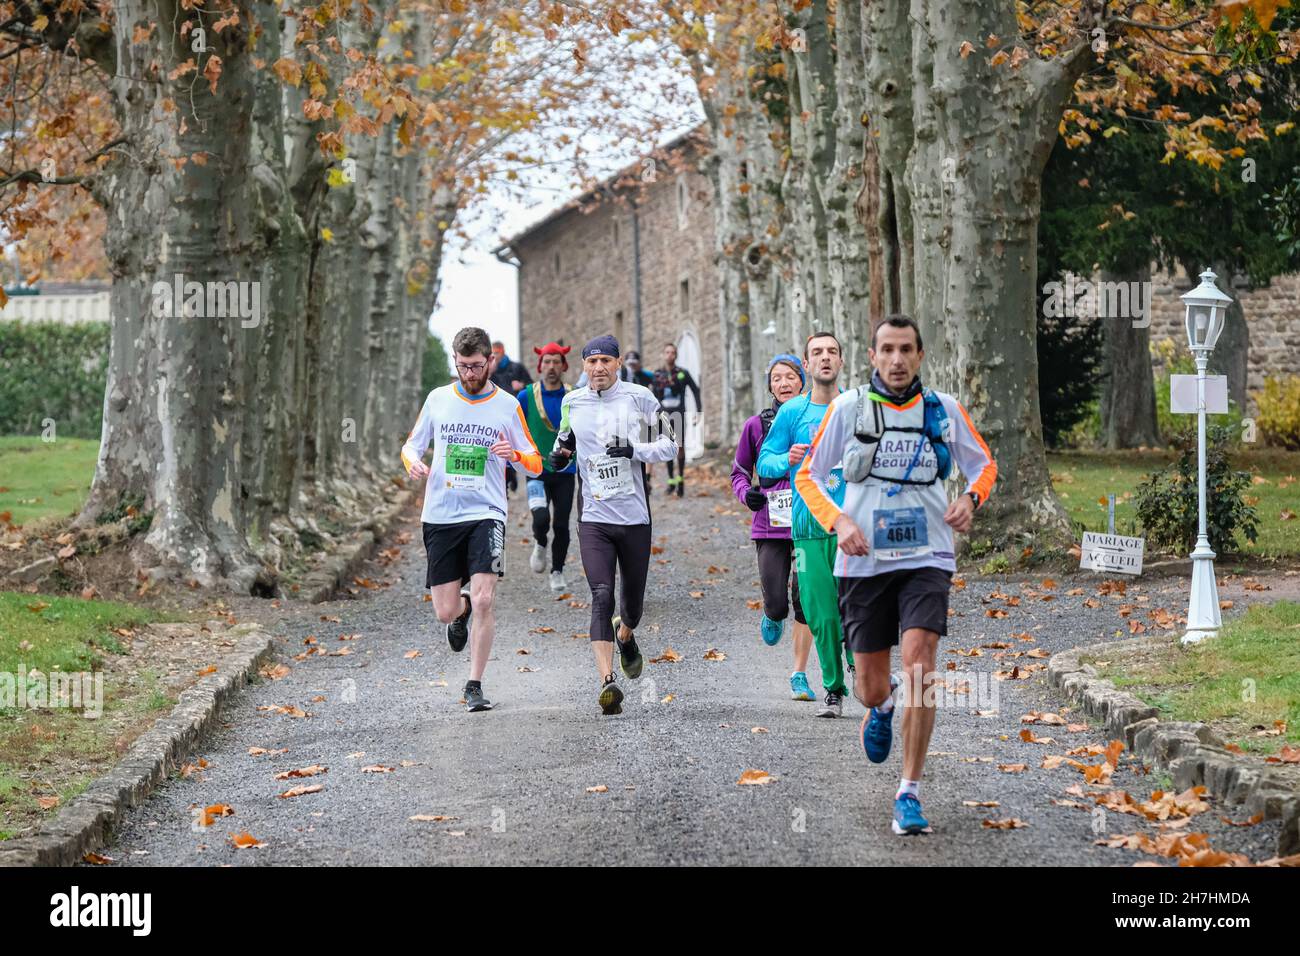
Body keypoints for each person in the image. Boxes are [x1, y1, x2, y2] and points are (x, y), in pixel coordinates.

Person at [796, 314, 997, 835]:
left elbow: (984, 466)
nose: (897, 359)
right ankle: (880, 708)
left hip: (927, 557)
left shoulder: (943, 410)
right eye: (887, 349)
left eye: (907, 349)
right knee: (870, 685)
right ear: (872, 355)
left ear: (920, 355)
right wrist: (837, 520)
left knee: (922, 668)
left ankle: (909, 790)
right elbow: (808, 476)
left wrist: (972, 500)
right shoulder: (847, 408)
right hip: (863, 561)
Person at [401, 326, 544, 713]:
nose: (469, 373)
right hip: (441, 513)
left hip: (487, 512)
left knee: (485, 599)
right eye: (463, 366)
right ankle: (458, 611)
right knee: (446, 611)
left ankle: (474, 684)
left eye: (476, 366)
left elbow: (534, 458)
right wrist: (415, 463)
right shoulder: (438, 399)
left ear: (490, 362)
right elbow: (410, 447)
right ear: (456, 362)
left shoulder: (507, 405)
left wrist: (513, 455)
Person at [551, 335, 679, 715]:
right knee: (601, 594)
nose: (599, 368)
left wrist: (634, 450)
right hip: (594, 517)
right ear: (584, 366)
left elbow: (672, 444)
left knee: (632, 607)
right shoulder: (572, 402)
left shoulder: (640, 397)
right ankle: (607, 681)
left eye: (606, 360)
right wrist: (558, 457)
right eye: (592, 362)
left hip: (635, 518)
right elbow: (563, 443)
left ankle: (627, 636)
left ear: (618, 362)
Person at [756, 332, 852, 718]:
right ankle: (834, 688)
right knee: (820, 613)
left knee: (856, 608)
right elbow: (764, 463)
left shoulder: (857, 408)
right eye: (817, 353)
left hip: (853, 529)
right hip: (808, 527)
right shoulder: (792, 412)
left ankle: (857, 659)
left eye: (832, 352)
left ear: (841, 362)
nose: (825, 358)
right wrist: (786, 460)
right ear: (807, 366)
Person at [731, 354, 817, 703]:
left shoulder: (816, 419)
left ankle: (799, 674)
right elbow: (739, 472)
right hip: (770, 527)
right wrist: (747, 494)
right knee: (779, 602)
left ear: (802, 381)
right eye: (777, 378)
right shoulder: (756, 425)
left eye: (790, 377)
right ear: (770, 386)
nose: (784, 383)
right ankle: (771, 613)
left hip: (809, 524)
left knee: (804, 600)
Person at [519, 342, 576, 592]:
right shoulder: (526, 396)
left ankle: (557, 571)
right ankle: (540, 542)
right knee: (541, 518)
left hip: (566, 470)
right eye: (547, 362)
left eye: (556, 362)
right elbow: (515, 430)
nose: (551, 367)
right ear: (540, 366)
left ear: (563, 366)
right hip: (536, 470)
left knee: (561, 524)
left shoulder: (574, 395)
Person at [652, 343, 701, 498]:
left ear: (676, 355)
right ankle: (671, 481)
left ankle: (680, 481)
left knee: (680, 446)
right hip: (664, 415)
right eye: (667, 352)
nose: (670, 355)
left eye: (673, 352)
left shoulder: (682, 373)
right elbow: (652, 396)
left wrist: (698, 411)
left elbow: (695, 389)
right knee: (666, 446)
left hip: (679, 414)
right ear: (663, 354)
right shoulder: (658, 374)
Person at [490, 341, 533, 494]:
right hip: (496, 414)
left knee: (513, 446)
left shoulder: (517, 368)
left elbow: (531, 385)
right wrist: (489, 371)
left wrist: (521, 386)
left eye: (496, 353)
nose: (494, 356)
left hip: (514, 413)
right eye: (492, 353)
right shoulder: (491, 371)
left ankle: (512, 475)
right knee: (500, 447)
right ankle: (507, 479)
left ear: (502, 352)